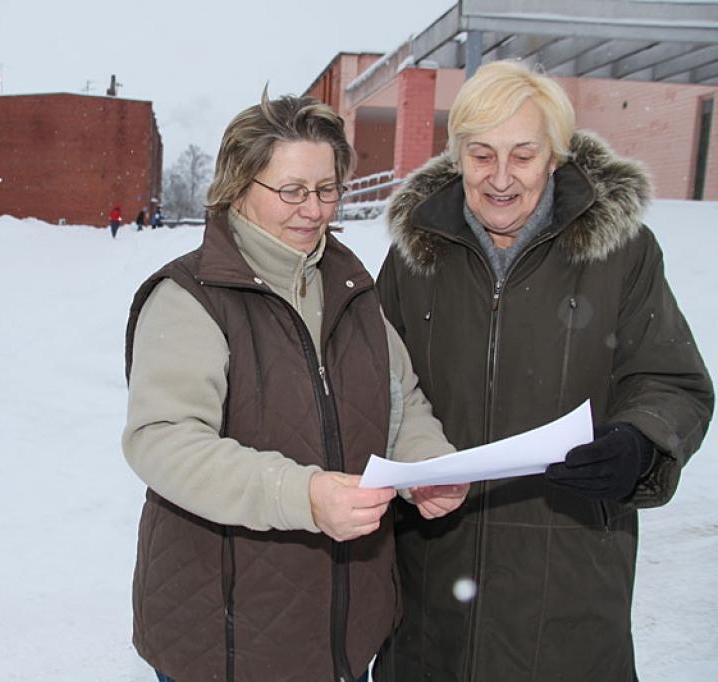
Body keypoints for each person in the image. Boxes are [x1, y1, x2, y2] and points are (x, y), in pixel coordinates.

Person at [374, 60, 713, 681]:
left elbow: (672, 380)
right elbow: (376, 388)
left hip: (569, 580)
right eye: (481, 155)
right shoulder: (414, 258)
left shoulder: (621, 252)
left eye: (523, 156)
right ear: (456, 157)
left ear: (554, 157)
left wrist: (639, 442)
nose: (500, 178)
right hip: (431, 582)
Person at [123, 91, 468, 682]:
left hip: (339, 636)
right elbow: (164, 440)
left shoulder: (350, 285)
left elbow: (400, 399)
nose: (313, 209)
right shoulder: (190, 298)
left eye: (327, 189)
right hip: (226, 640)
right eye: (291, 191)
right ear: (237, 186)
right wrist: (302, 496)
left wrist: (427, 464)